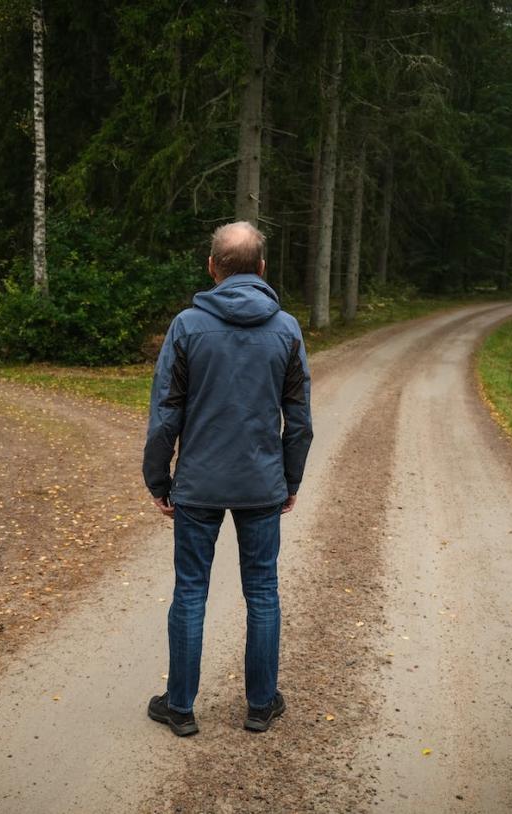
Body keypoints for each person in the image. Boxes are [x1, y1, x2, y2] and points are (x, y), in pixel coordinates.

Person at [142, 221, 314, 736]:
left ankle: (181, 707)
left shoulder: (187, 327)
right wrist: (291, 478)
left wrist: (159, 479)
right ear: (262, 269)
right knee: (262, 590)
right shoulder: (286, 329)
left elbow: (165, 412)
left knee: (191, 590)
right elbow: (299, 418)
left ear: (213, 267)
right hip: (261, 484)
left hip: (197, 484)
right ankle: (261, 705)